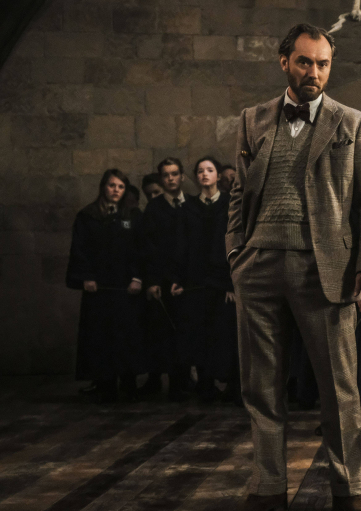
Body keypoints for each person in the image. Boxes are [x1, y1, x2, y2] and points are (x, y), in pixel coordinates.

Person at [227, 23, 361, 511]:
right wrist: (236, 254)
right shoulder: (253, 119)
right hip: (258, 265)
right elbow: (239, 193)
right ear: (285, 63)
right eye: (304, 62)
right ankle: (268, 486)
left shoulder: (354, 123)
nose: (314, 71)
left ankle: (349, 487)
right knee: (260, 385)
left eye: (322, 63)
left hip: (326, 268)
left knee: (339, 385)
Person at [66, 169, 144, 404]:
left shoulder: (132, 215)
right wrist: (86, 277)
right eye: (112, 185)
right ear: (103, 187)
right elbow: (80, 249)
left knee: (126, 336)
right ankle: (106, 385)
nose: (116, 190)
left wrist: (137, 277)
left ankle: (129, 385)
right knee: (101, 337)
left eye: (120, 186)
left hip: (126, 288)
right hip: (98, 289)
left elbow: (141, 249)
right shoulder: (88, 216)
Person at [170, 157, 239, 404]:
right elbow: (181, 246)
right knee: (199, 335)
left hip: (222, 282)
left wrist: (232, 283)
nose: (204, 174)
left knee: (225, 335)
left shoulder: (230, 205)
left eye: (209, 170)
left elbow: (236, 244)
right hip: (196, 282)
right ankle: (205, 385)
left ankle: (232, 386)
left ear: (218, 175)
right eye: (200, 171)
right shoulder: (188, 208)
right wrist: (178, 278)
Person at [140, 157, 192, 401]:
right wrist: (152, 281)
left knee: (186, 331)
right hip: (163, 280)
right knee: (165, 333)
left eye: (174, 174)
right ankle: (172, 383)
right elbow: (148, 248)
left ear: (182, 176)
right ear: (161, 179)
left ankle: (186, 380)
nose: (170, 178)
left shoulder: (191, 205)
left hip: (187, 282)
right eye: (166, 175)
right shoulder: (154, 209)